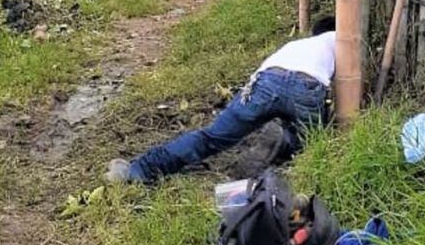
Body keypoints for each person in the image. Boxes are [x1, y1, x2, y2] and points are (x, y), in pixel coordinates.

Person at [107, 16, 336, 185]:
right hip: (308, 86)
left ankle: (138, 171)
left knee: (212, 137)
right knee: (313, 148)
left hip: (266, 81)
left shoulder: (297, 45)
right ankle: (291, 182)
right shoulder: (342, 38)